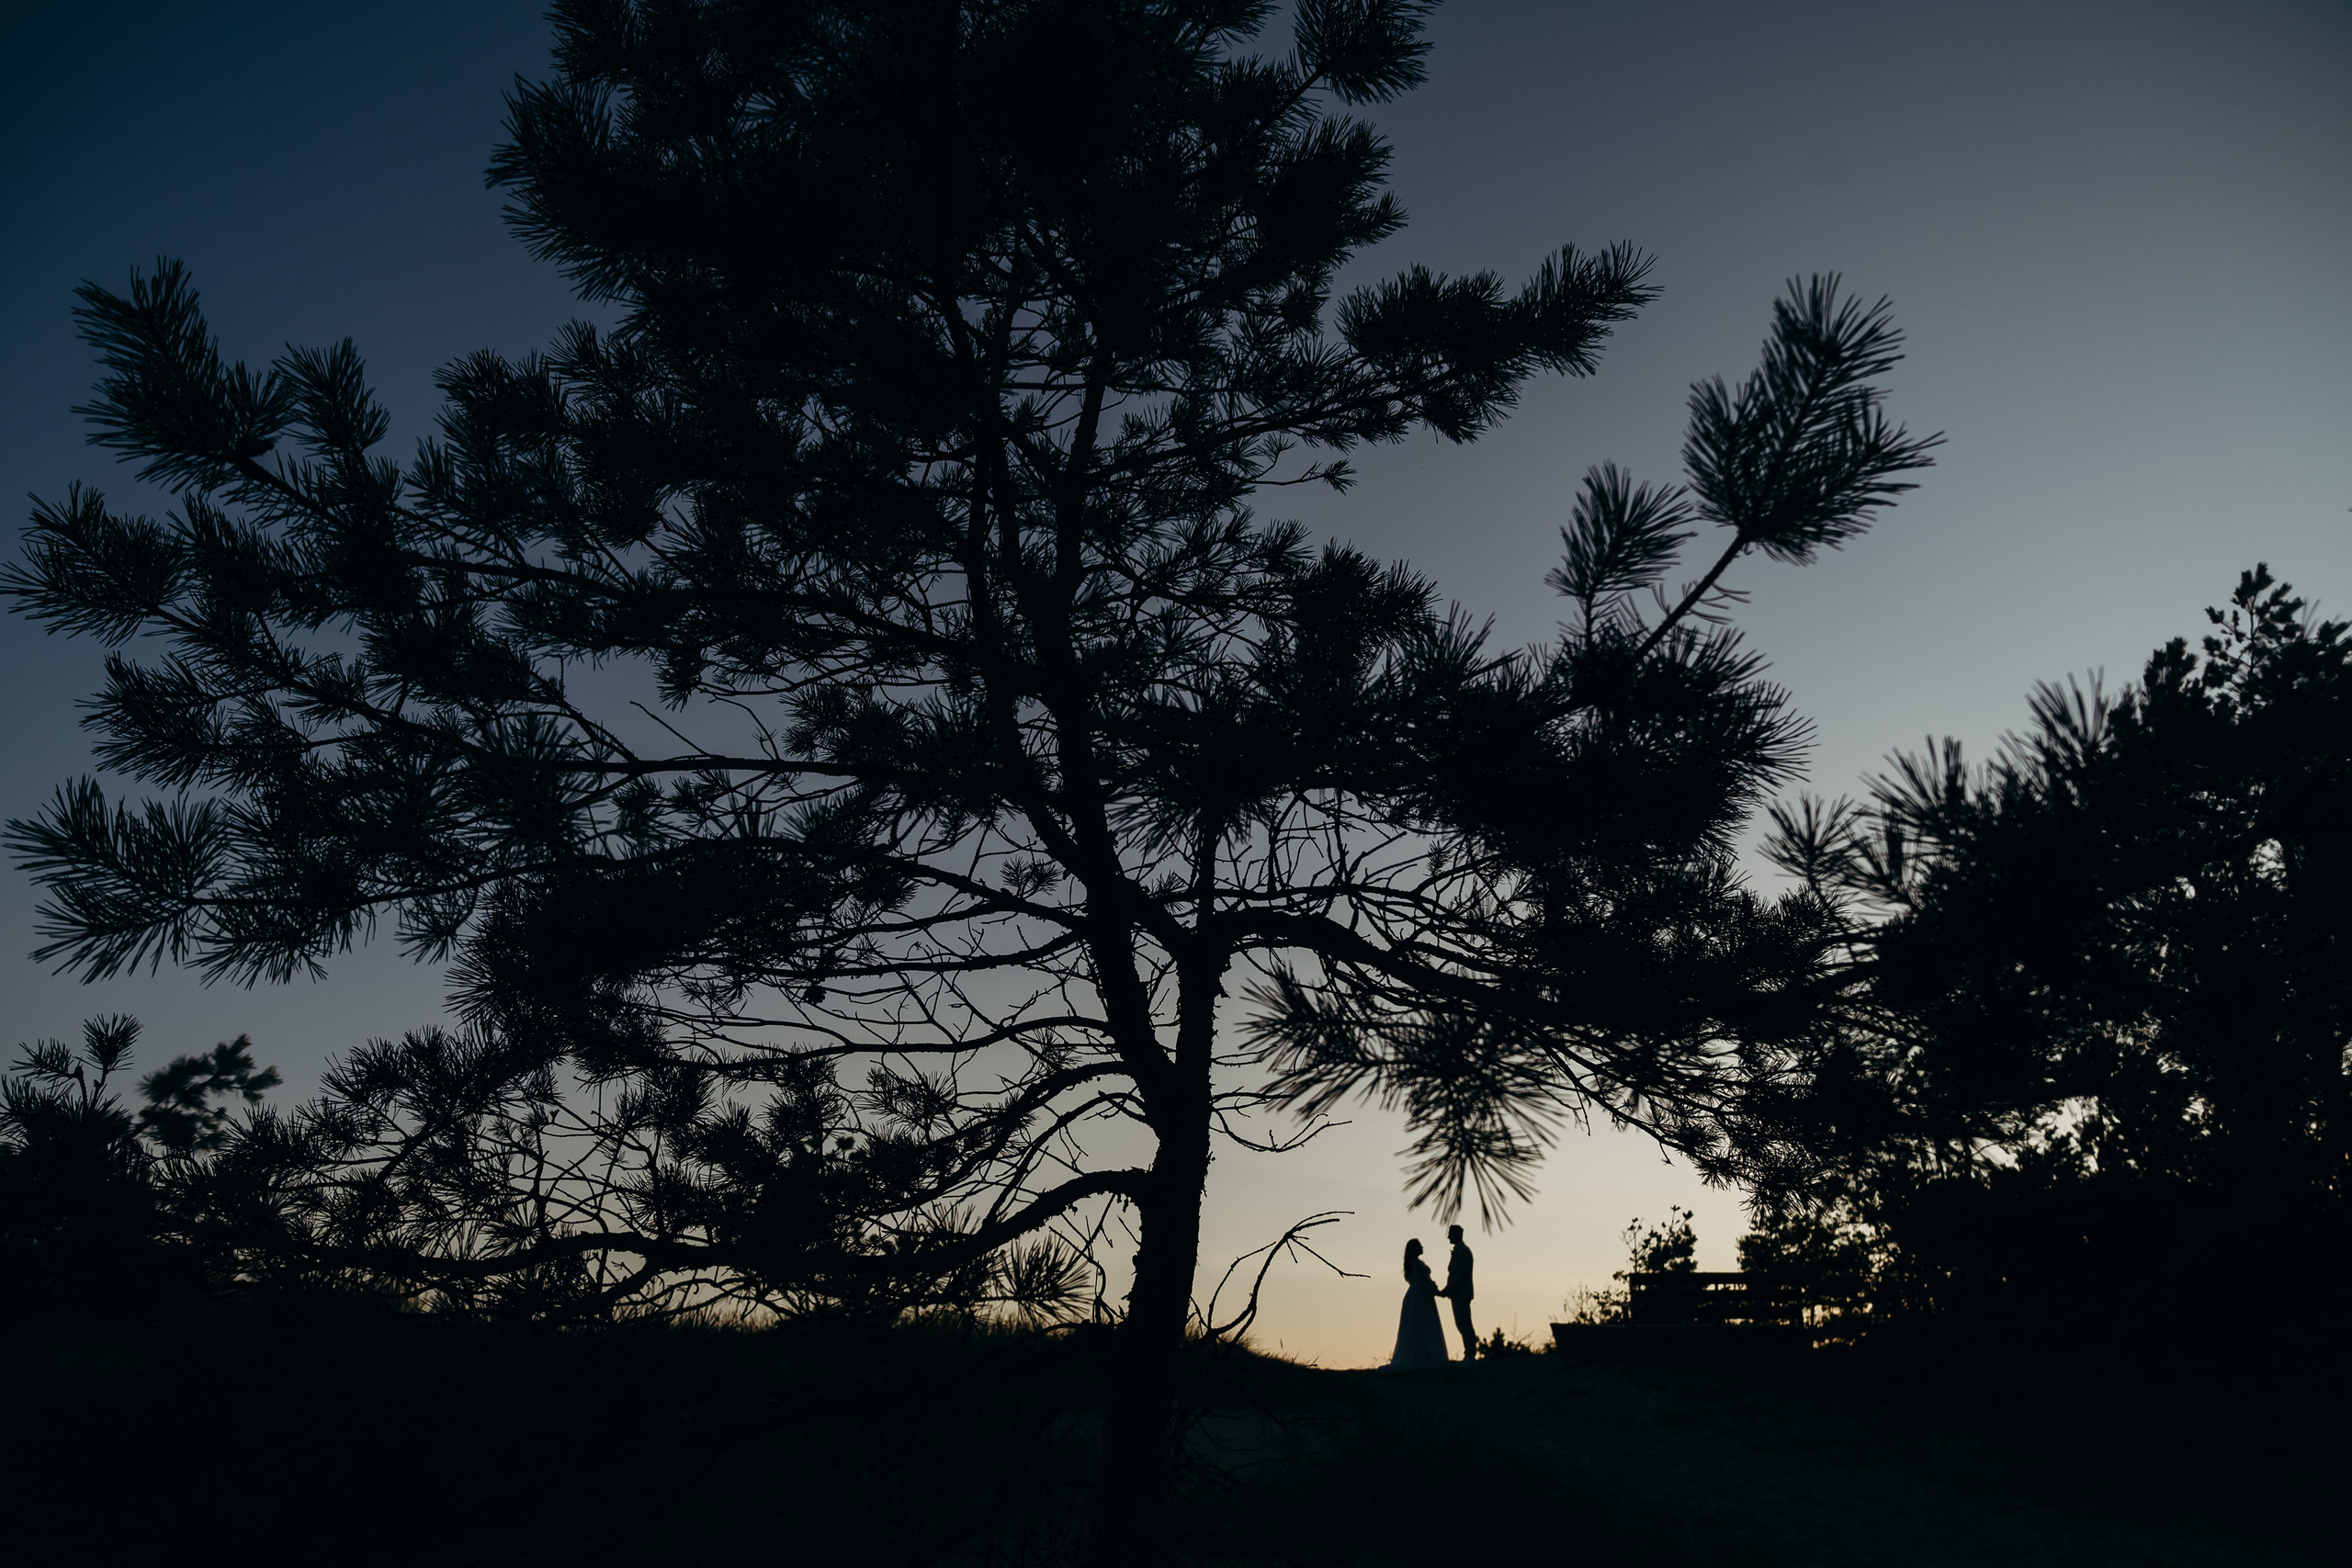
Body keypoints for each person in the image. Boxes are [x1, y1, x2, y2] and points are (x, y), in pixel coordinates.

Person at [1385, 1238, 1449, 1371]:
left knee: (1415, 1325)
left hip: (1414, 1295)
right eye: (1420, 1245)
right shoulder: (1417, 1263)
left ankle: (1420, 1355)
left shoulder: (1411, 1263)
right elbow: (1426, 1281)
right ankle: (1425, 1357)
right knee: (1424, 1324)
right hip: (1421, 1296)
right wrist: (1437, 1291)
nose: (1422, 1247)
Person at [1439, 1223, 1476, 1360]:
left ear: (1457, 1234)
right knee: (1461, 1324)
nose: (1448, 1237)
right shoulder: (1459, 1251)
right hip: (1457, 1294)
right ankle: (1469, 1353)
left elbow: (1461, 1275)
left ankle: (1470, 1354)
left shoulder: (1464, 1252)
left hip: (1462, 1294)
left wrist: (1447, 1290)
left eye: (1451, 1233)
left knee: (1465, 1324)